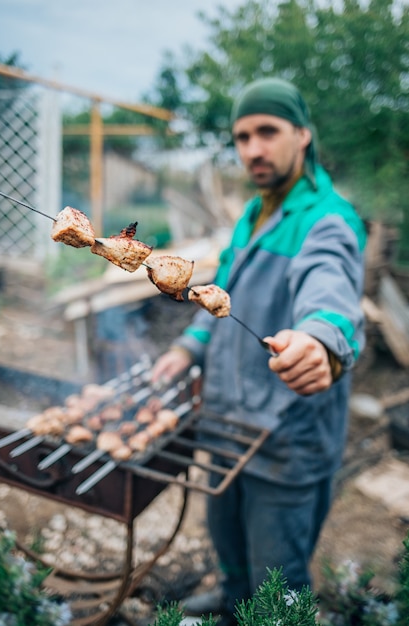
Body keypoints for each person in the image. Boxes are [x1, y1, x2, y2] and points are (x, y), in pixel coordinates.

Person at [151, 77, 367, 625]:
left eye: (267, 131)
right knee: (229, 545)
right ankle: (231, 603)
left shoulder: (328, 221)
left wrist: (320, 340)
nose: (252, 149)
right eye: (242, 136)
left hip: (285, 440)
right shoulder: (253, 215)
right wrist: (186, 349)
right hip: (227, 425)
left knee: (279, 586)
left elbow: (331, 291)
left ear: (302, 135)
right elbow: (219, 296)